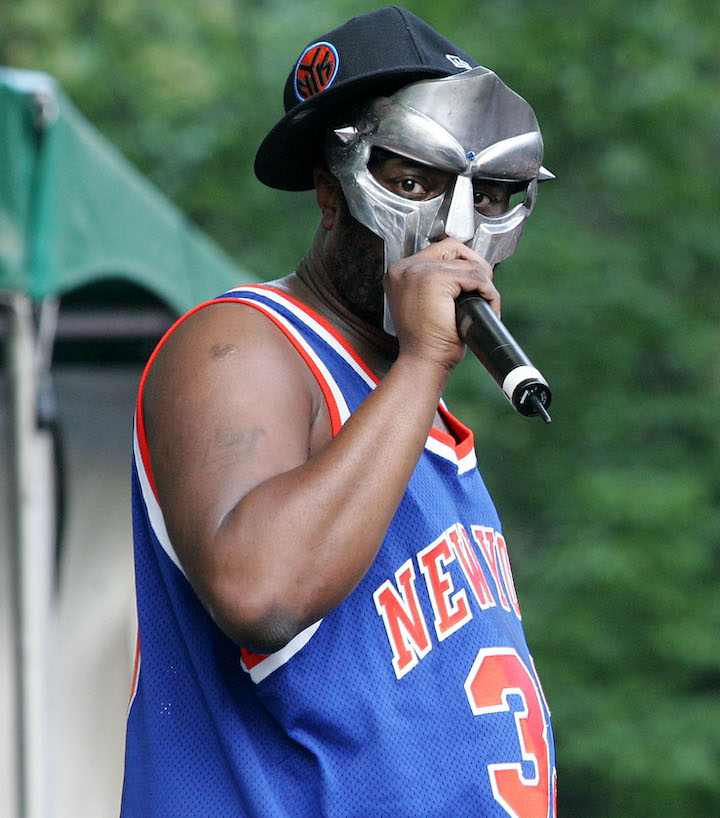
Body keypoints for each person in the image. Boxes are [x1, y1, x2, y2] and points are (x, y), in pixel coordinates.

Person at [120, 8, 556, 815]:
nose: (449, 232)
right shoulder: (245, 342)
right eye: (411, 182)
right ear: (330, 190)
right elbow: (261, 590)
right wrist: (425, 360)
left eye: (490, 194)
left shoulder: (406, 418)